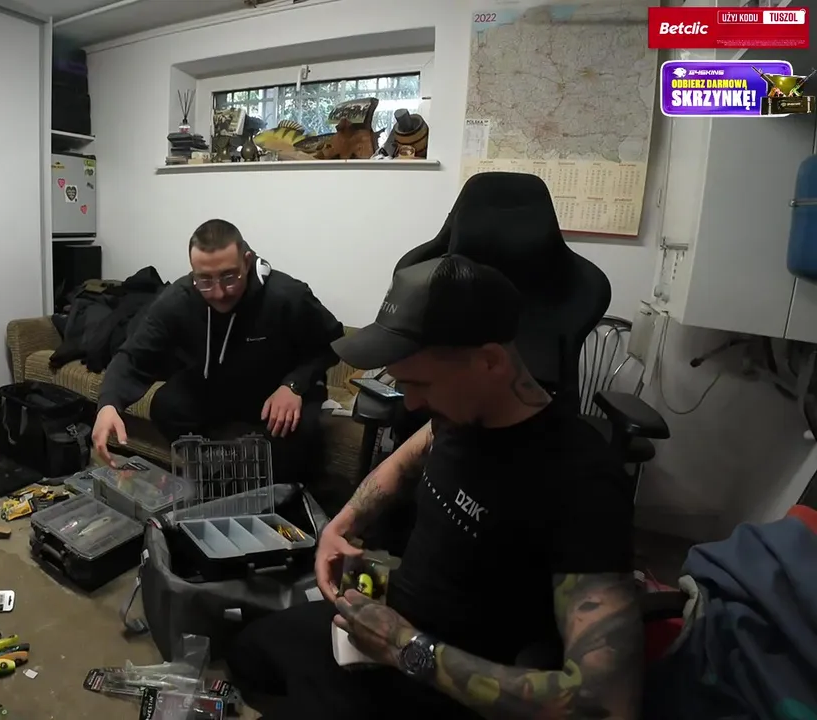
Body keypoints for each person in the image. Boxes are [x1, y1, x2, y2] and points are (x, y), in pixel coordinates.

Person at [227, 255, 642, 720]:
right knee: (248, 655)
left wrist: (405, 647)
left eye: (420, 384)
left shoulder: (583, 481)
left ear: (490, 361)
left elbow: (604, 704)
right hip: (392, 626)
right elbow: (409, 457)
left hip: (455, 680)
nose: (411, 403)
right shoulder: (460, 414)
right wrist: (342, 523)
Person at [92, 219, 344, 485]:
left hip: (279, 391)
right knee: (167, 404)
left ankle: (256, 482)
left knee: (294, 441)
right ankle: (215, 473)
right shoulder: (178, 299)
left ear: (247, 261)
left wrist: (294, 385)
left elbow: (332, 343)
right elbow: (133, 356)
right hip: (221, 385)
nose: (219, 292)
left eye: (229, 277)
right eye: (205, 280)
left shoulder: (287, 295)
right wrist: (108, 405)